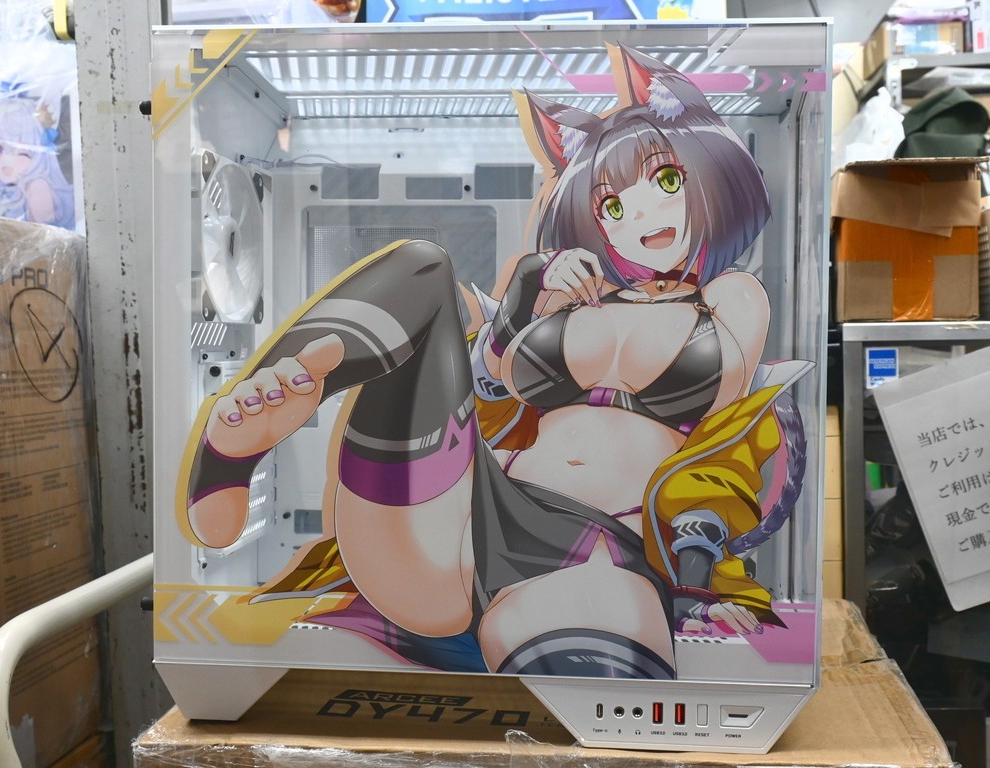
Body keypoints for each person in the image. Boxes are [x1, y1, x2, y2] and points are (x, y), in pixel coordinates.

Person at [178, 44, 811, 679]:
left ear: (710, 177)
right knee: (422, 269)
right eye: (613, 207)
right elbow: (491, 380)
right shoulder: (564, 289)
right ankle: (244, 435)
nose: (640, 215)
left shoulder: (727, 296)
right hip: (463, 511)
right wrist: (533, 285)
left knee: (587, 684)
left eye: (666, 182)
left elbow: (731, 384)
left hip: (603, 540)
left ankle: (264, 414)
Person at [0, 96, 75, 230]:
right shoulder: (8, 185)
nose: (6, 162)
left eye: (22, 153)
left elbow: (40, 234)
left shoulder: (37, 188)